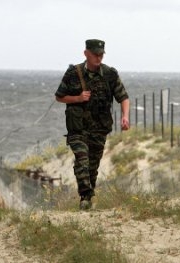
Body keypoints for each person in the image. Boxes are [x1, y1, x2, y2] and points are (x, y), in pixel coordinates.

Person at [55, 39, 130, 210]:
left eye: (101, 54)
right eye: (95, 54)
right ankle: (85, 197)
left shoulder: (110, 74)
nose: (98, 58)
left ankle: (88, 198)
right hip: (78, 128)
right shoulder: (73, 73)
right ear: (86, 54)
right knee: (82, 158)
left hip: (99, 129)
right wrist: (77, 98)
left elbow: (123, 97)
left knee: (92, 166)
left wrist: (125, 117)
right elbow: (59, 96)